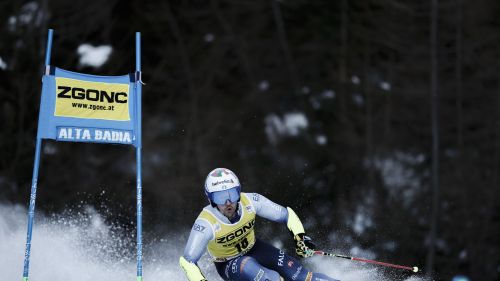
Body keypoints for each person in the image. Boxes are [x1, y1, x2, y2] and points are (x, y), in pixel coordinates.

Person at [179, 168, 340, 281]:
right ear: (211, 200)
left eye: (232, 194)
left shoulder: (251, 200)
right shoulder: (205, 222)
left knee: (300, 276)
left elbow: (286, 214)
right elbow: (187, 261)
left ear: (239, 191)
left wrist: (301, 237)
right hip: (229, 263)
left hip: (256, 249)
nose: (228, 202)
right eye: (220, 197)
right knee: (265, 276)